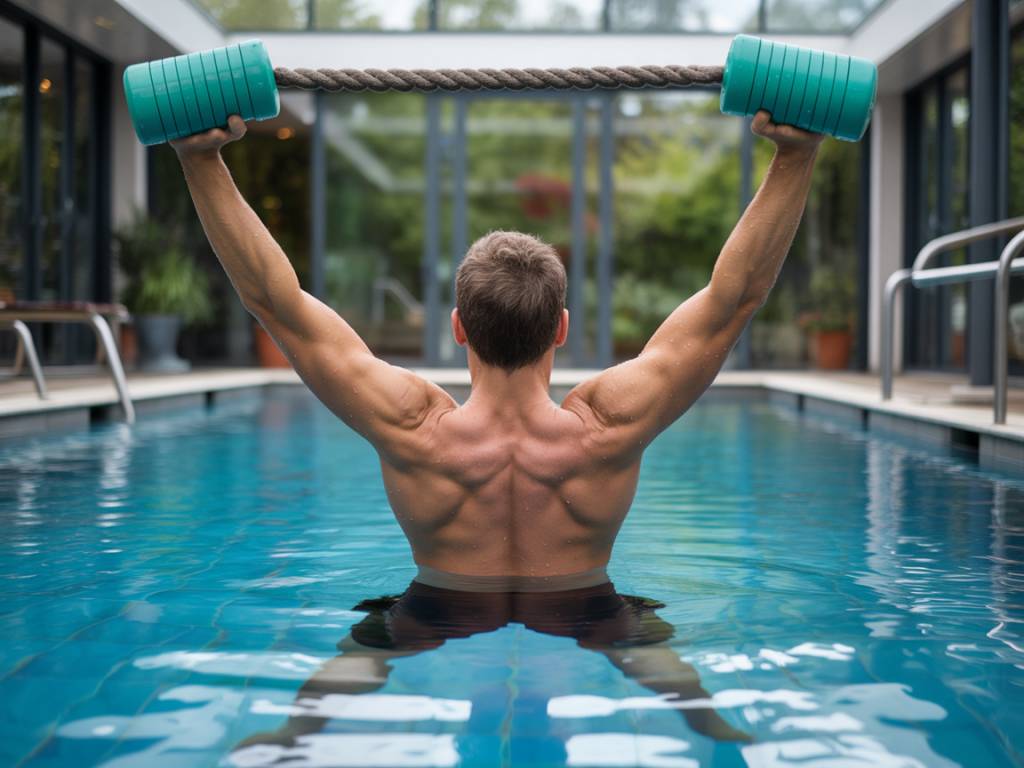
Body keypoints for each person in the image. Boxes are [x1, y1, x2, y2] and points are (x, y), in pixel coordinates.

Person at [172, 111, 821, 751]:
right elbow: (734, 300)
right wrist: (795, 156)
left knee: (369, 646)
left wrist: (201, 160)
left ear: (458, 327)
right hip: (587, 604)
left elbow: (273, 301)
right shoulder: (609, 425)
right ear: (560, 329)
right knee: (651, 652)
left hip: (437, 606)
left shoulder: (412, 427)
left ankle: (291, 738)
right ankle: (720, 734)